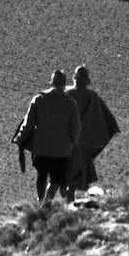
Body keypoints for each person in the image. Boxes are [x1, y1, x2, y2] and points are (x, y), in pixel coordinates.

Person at [13, 69, 81, 204]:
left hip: (41, 147)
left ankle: (40, 200)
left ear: (51, 82)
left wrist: (20, 138)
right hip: (61, 150)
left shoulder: (39, 99)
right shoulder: (71, 103)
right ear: (64, 84)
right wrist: (74, 142)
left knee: (41, 175)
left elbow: (28, 123)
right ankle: (48, 201)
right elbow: (75, 127)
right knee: (56, 178)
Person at [65, 65, 120, 200]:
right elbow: (105, 118)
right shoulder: (92, 96)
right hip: (82, 143)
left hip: (67, 140)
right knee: (77, 170)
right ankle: (67, 197)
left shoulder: (66, 93)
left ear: (75, 78)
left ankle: (53, 201)